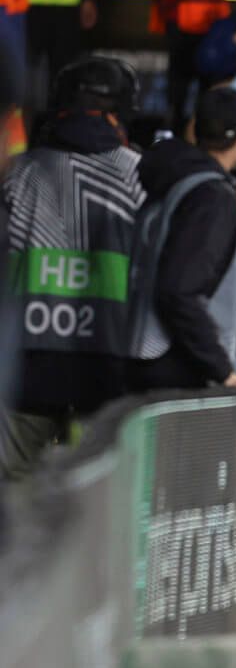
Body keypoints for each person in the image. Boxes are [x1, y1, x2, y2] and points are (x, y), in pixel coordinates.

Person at [1, 56, 143, 478]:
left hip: (25, 367)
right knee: (94, 502)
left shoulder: (19, 172)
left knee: (11, 496)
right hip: (107, 368)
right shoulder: (139, 175)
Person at [129, 86, 236, 396]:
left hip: (144, 356)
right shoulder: (211, 196)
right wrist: (222, 371)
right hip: (179, 369)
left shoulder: (175, 180)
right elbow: (179, 291)